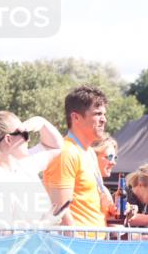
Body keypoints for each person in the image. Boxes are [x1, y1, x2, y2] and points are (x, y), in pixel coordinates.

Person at [0, 112, 65, 236]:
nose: (28, 139)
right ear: (8, 139)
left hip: (35, 251)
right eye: (24, 134)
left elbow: (56, 147)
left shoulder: (23, 166)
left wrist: (39, 122)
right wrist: (43, 225)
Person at [43, 86, 108, 229]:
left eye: (104, 114)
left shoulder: (89, 152)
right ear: (76, 117)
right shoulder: (66, 152)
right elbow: (60, 209)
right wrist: (76, 243)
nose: (103, 119)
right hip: (77, 245)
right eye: (97, 114)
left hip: (94, 243)